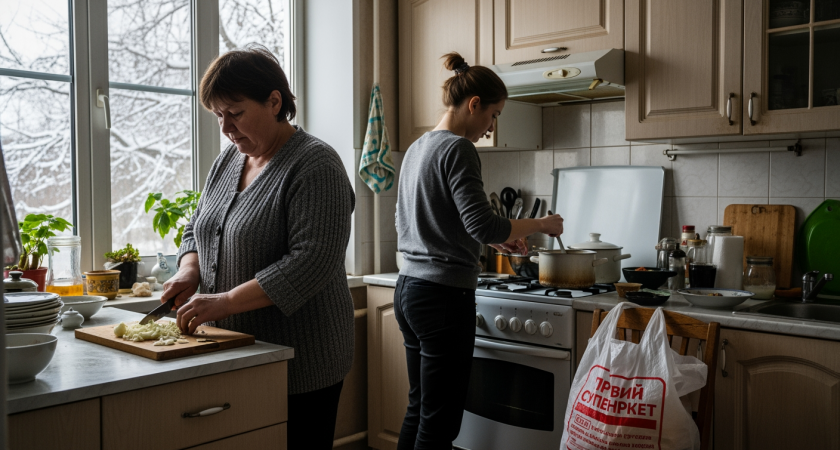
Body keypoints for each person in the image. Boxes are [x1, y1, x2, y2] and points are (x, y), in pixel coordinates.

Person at [160, 45, 355, 450]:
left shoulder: (315, 164)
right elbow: (198, 226)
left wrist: (226, 301)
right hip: (236, 351)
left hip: (303, 360)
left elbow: (311, 262)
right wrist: (188, 271)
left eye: (235, 112)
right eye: (218, 116)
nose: (226, 128)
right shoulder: (227, 162)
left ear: (274, 102)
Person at [394, 51, 565, 450]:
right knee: (440, 425)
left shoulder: (419, 147)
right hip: (442, 297)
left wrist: (493, 239)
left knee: (420, 410)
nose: (491, 127)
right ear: (474, 105)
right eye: (494, 115)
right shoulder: (458, 148)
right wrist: (541, 224)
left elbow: (436, 221)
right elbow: (482, 222)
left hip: (410, 290)